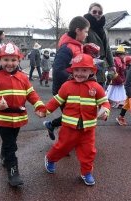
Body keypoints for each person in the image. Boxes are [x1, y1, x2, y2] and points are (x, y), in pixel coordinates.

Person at [0, 43, 46, 187]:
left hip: (19, 117)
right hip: (1, 118)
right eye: (6, 60)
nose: (9, 63)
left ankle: (4, 156)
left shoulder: (23, 78)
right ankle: (13, 170)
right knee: (12, 145)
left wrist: (39, 106)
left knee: (11, 140)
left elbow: (31, 94)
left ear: (18, 61)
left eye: (13, 60)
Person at [44, 54, 111, 186]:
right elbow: (56, 101)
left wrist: (105, 111)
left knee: (88, 152)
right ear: (72, 71)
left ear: (92, 71)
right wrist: (44, 111)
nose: (79, 73)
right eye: (76, 70)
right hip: (69, 127)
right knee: (61, 147)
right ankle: (50, 159)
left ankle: (86, 172)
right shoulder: (67, 86)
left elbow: (105, 103)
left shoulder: (96, 87)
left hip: (88, 129)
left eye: (84, 70)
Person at [43, 16, 90, 140]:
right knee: (71, 117)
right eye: (86, 31)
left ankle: (51, 125)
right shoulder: (67, 47)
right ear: (78, 31)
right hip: (63, 90)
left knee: (74, 116)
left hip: (73, 87)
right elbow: (58, 70)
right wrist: (72, 78)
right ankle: (64, 145)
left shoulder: (77, 45)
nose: (87, 34)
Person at [84, 2, 115, 89]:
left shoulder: (103, 29)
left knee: (101, 94)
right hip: (88, 67)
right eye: (94, 12)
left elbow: (107, 48)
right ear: (89, 12)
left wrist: (112, 65)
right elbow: (81, 47)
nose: (97, 14)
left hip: (101, 67)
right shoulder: (85, 27)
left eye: (99, 12)